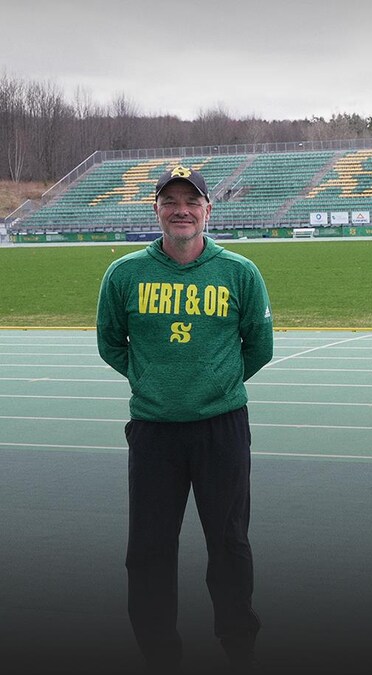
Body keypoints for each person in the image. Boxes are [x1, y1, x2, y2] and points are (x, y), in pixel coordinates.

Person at [96, 165, 274, 673]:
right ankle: (159, 653)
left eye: (191, 202)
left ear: (207, 211)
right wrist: (154, 380)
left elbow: (258, 347)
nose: (182, 211)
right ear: (156, 209)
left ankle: (240, 645)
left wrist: (214, 383)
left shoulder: (238, 272)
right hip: (153, 431)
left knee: (229, 542)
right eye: (171, 201)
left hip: (221, 426)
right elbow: (111, 342)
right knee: (149, 549)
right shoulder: (125, 273)